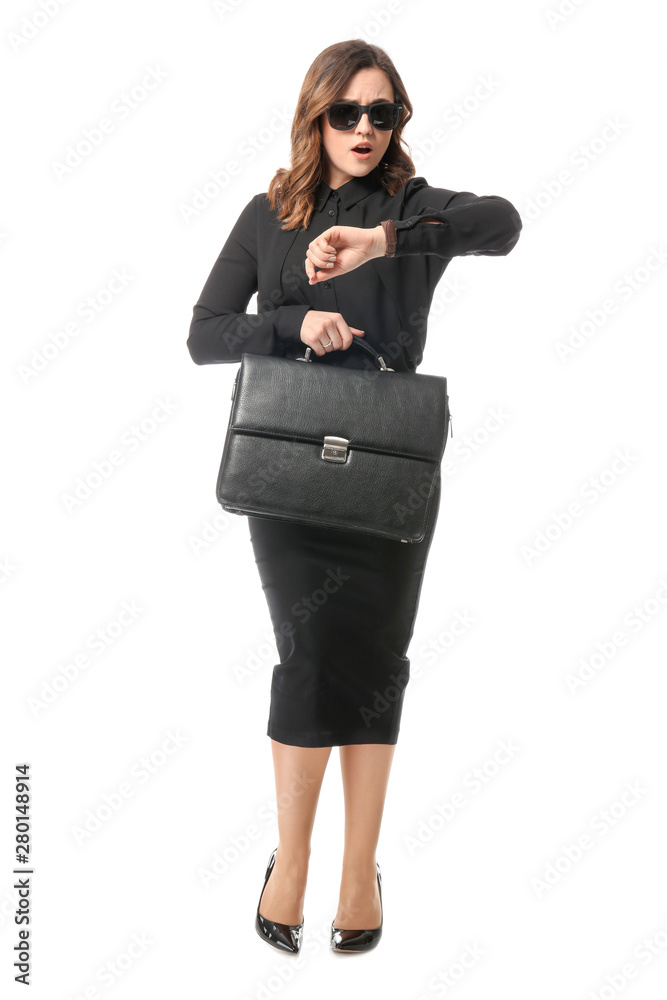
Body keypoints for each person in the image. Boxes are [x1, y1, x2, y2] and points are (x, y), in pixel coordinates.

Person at [186, 39, 522, 955]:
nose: (366, 129)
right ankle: (290, 862)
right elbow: (205, 335)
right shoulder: (269, 214)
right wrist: (294, 320)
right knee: (307, 653)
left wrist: (384, 239)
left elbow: (506, 222)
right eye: (347, 113)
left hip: (388, 462)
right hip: (287, 467)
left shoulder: (414, 209)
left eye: (384, 113)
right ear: (316, 118)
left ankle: (357, 869)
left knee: (377, 662)